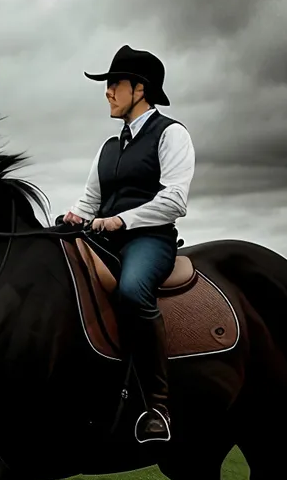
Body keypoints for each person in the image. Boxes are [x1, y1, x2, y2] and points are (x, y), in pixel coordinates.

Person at [63, 45, 196, 443]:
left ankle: (157, 406)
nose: (107, 91)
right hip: (104, 236)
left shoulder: (171, 133)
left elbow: (175, 199)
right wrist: (75, 217)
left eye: (114, 83)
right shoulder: (108, 147)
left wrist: (122, 219)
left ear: (140, 89)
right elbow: (89, 201)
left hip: (149, 240)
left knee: (133, 292)